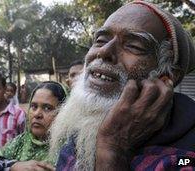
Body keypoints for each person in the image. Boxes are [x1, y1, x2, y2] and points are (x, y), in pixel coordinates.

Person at [50, 1, 195, 170]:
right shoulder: (82, 129)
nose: (104, 51)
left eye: (133, 46)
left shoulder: (184, 158)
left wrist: (113, 148)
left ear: (166, 76)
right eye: (100, 40)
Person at [0, 81, 67, 171]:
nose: (37, 114)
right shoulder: (20, 143)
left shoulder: (71, 148)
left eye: (47, 108)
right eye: (34, 106)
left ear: (63, 113)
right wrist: (13, 166)